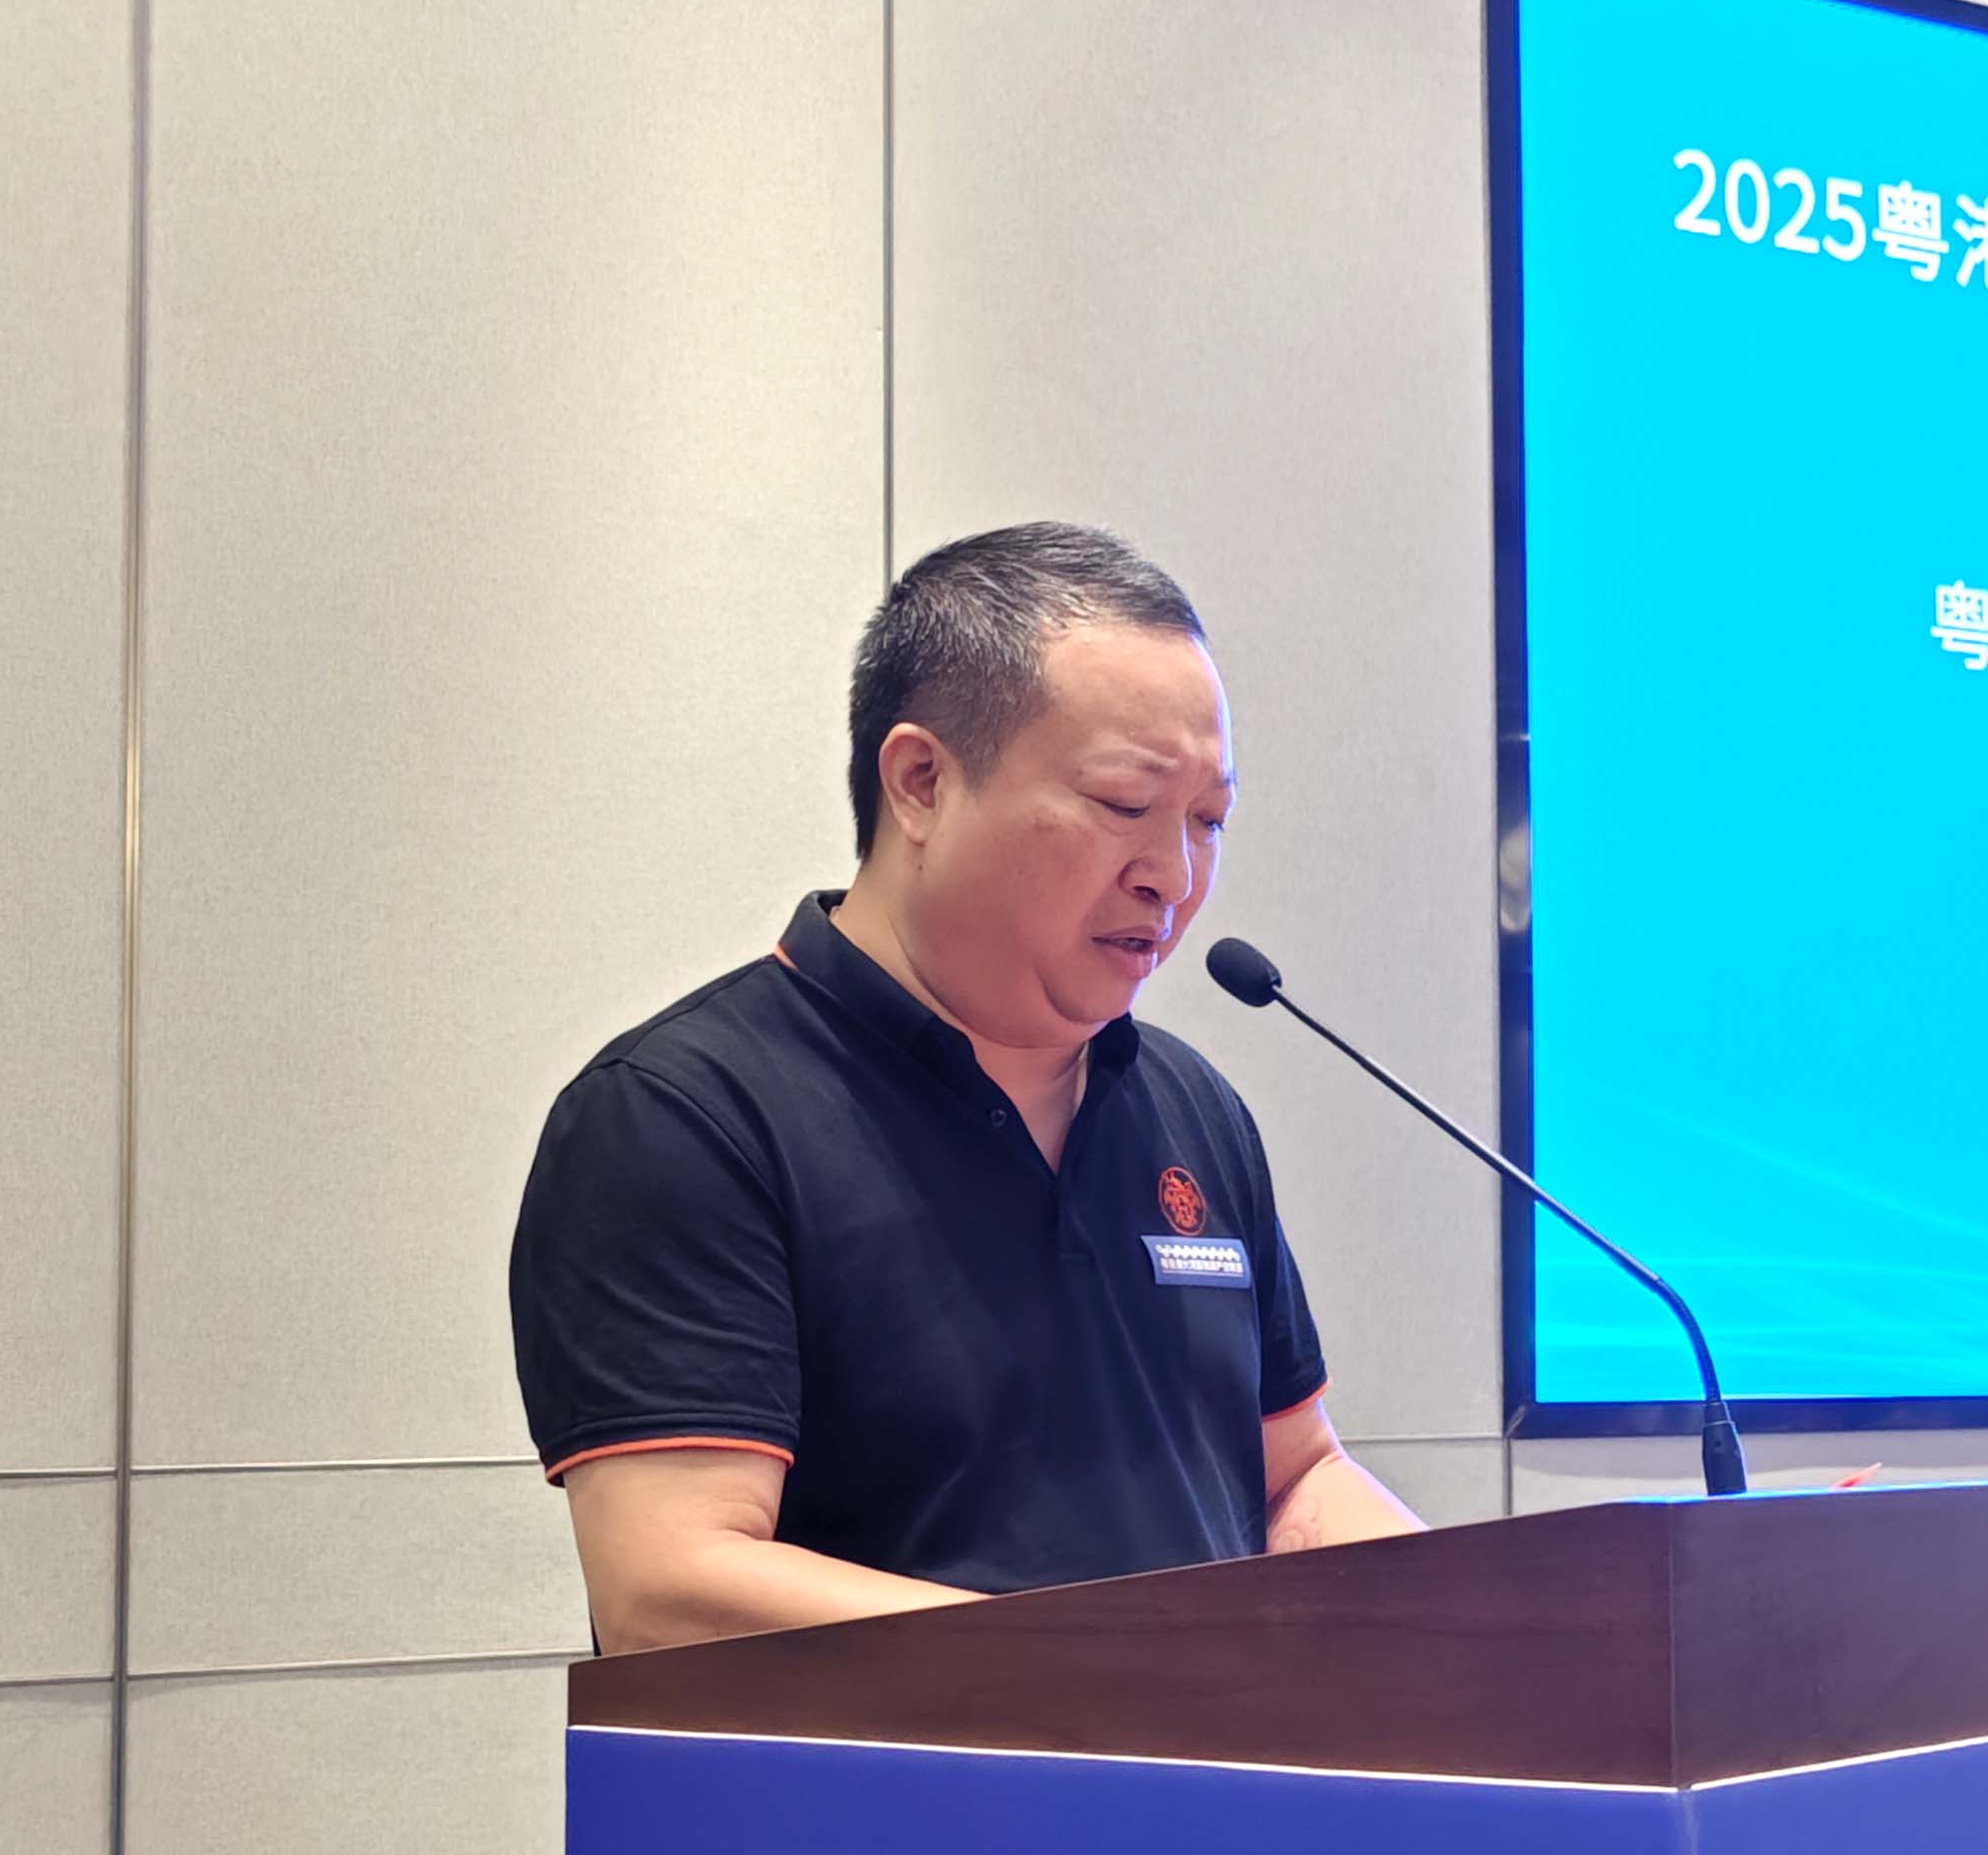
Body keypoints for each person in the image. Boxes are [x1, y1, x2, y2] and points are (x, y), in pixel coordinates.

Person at [509, 522, 1423, 1653]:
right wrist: (1118, 1680)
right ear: (921, 782)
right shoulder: (683, 1117)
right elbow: (671, 1593)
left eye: (1209, 821)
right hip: (901, 1776)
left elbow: (1294, 1478)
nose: (1175, 877)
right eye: (1124, 804)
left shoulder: (1192, 1109)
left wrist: (1484, 1632)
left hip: (1196, 1761)